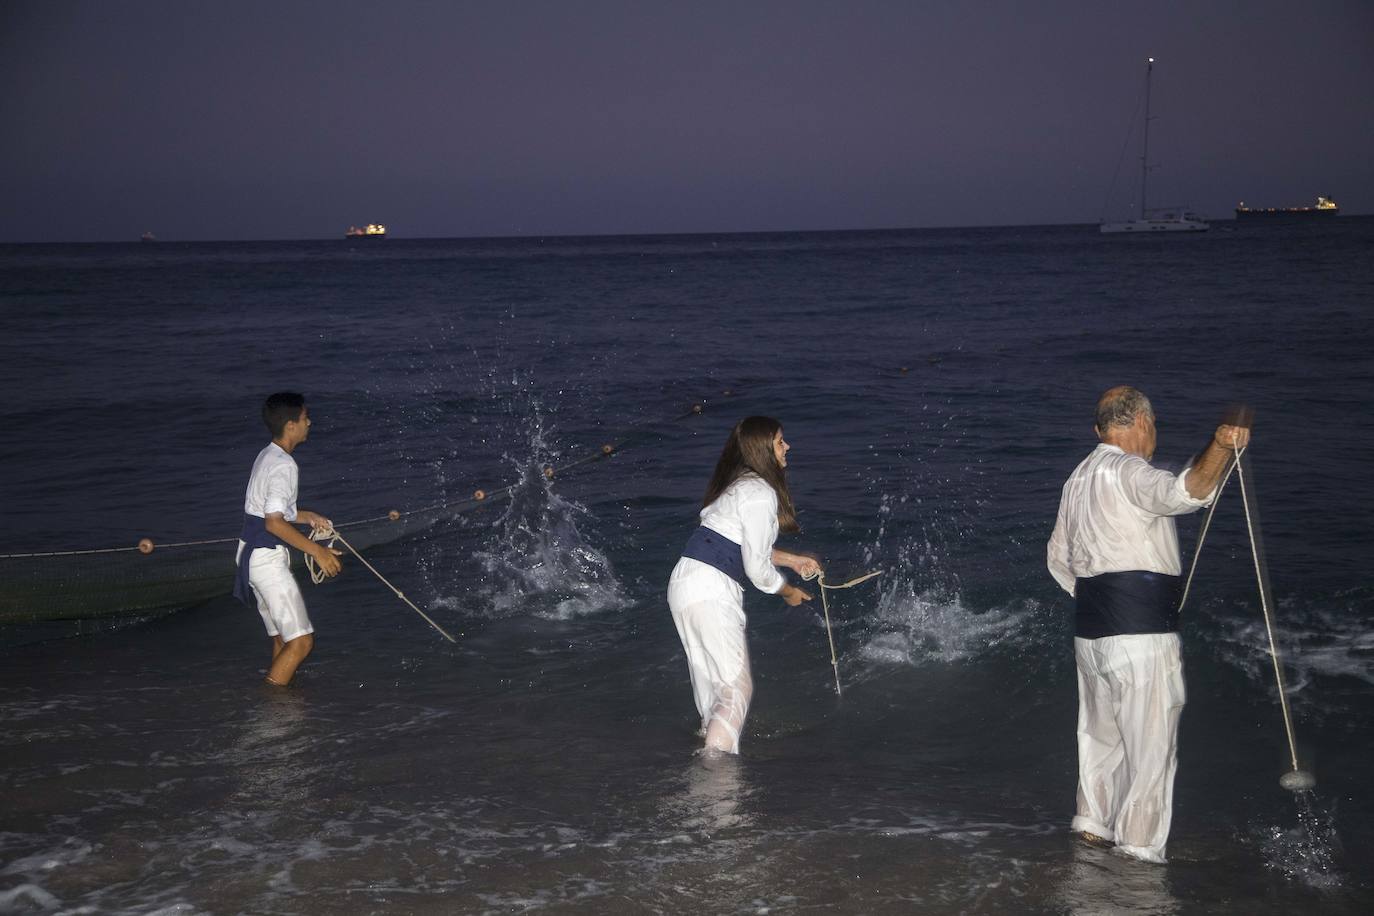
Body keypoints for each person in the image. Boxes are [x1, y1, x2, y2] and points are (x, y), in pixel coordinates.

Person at [1047, 386, 1250, 864]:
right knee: (1151, 750)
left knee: (1101, 739)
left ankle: (1093, 829)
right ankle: (1138, 857)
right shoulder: (1128, 470)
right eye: (1153, 425)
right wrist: (1221, 446)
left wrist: (1103, 598)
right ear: (1141, 421)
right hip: (1140, 636)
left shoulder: (1077, 479)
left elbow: (1057, 559)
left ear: (1101, 429)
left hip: (1092, 635)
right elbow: (1187, 492)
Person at [668, 416, 821, 755]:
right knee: (737, 688)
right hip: (710, 587)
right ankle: (715, 774)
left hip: (687, 581)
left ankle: (706, 772)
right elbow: (755, 567)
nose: (787, 447)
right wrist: (787, 591)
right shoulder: (760, 493)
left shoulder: (739, 485)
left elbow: (735, 542)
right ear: (763, 449)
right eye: (780, 441)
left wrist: (793, 561)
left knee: (713, 690)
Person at [235, 392, 343, 687]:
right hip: (266, 559)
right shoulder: (285, 465)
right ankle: (271, 708)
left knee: (283, 638)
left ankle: (279, 707)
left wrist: (307, 516)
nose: (310, 422)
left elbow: (269, 511)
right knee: (302, 642)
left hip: (250, 554)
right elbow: (273, 523)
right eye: (306, 417)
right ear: (292, 425)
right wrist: (318, 553)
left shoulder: (268, 454)